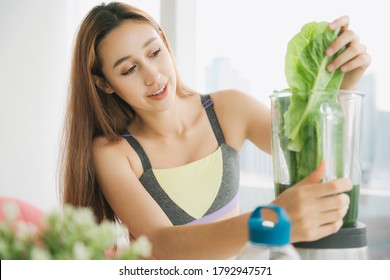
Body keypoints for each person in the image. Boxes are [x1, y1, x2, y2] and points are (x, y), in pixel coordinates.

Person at [60, 2, 371, 259]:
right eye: (129, 69)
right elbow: (161, 243)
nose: (153, 76)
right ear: (104, 84)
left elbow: (312, 158)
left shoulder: (230, 110)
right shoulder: (114, 153)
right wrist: (269, 219)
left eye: (154, 53)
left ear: (165, 43)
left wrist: (340, 85)